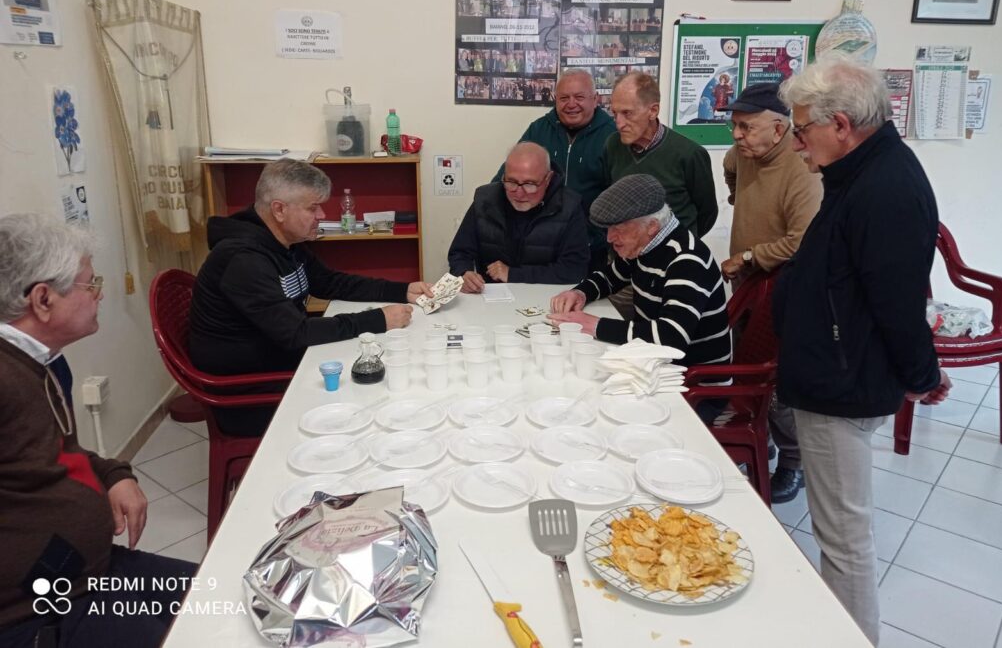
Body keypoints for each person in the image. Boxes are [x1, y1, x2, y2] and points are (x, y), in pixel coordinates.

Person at [774, 58, 951, 646]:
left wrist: (923, 373)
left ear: (842, 124)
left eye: (803, 131)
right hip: (831, 371)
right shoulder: (858, 172)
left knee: (845, 537)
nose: (798, 144)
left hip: (841, 387)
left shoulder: (885, 188)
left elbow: (897, 300)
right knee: (841, 529)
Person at [0, 213, 196, 648]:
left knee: (226, 595)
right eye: (90, 284)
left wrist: (113, 474)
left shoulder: (41, 362)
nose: (99, 295)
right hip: (41, 612)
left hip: (92, 571)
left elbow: (58, 452)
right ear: (43, 300)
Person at [189, 160, 433, 432]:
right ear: (279, 210)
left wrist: (401, 290)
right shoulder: (243, 259)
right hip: (248, 389)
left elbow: (330, 282)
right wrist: (377, 319)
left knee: (384, 363)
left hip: (279, 357)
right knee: (376, 388)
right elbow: (295, 333)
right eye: (312, 207)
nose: (321, 214)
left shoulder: (284, 243)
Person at [549, 174, 731, 419]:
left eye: (618, 229)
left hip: (691, 384)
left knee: (592, 407)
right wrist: (580, 292)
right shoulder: (646, 245)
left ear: (652, 226)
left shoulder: (686, 259)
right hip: (656, 367)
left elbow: (671, 338)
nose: (610, 238)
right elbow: (611, 276)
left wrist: (595, 325)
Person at [721, 82, 824, 503]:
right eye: (735, 126)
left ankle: (794, 464)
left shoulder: (803, 174)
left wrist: (748, 257)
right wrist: (735, 193)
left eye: (746, 127)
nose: (737, 136)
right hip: (748, 288)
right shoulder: (743, 155)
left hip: (785, 294)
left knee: (775, 384)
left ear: (780, 129)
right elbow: (729, 166)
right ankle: (757, 445)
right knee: (741, 367)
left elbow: (803, 241)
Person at [492, 69, 617, 270]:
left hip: (591, 248)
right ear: (555, 99)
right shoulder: (539, 129)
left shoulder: (613, 136)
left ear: (595, 99)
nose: (571, 104)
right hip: (538, 246)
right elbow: (504, 179)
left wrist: (599, 237)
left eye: (579, 97)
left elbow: (621, 198)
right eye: (564, 98)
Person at [449, 143, 589, 292]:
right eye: (511, 182)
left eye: (530, 184)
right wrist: (463, 273)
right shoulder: (485, 200)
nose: (519, 193)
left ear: (548, 179)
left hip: (547, 297)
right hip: (491, 298)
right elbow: (460, 252)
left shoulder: (569, 206)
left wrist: (514, 274)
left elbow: (574, 270)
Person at [605, 72, 718, 238]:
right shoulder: (612, 145)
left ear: (653, 111)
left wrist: (684, 243)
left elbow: (706, 214)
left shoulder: (689, 154)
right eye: (614, 114)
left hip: (674, 256)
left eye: (627, 113)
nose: (619, 123)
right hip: (627, 255)